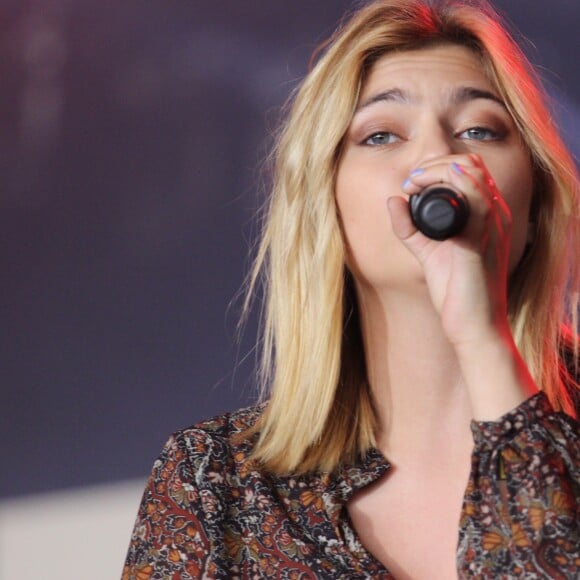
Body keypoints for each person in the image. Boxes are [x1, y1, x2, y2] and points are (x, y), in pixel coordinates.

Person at [123, 0, 579, 578]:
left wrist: (482, 336)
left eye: (478, 130)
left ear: (537, 205)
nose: (438, 158)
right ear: (325, 210)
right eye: (382, 135)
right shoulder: (217, 485)